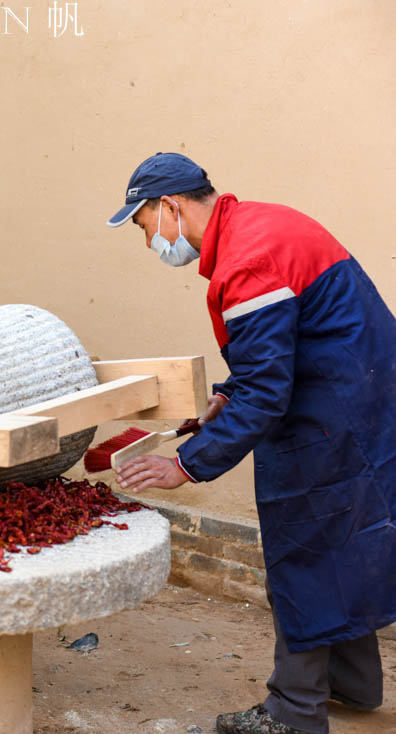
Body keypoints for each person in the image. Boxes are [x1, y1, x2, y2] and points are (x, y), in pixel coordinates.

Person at [105, 152, 396, 734]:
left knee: (303, 560)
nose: (149, 243)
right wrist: (223, 396)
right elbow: (278, 349)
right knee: (341, 547)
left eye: (144, 227)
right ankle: (353, 685)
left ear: (169, 206)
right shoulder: (259, 225)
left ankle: (292, 715)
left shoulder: (247, 260)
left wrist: (186, 466)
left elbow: (268, 391)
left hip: (330, 419)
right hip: (357, 400)